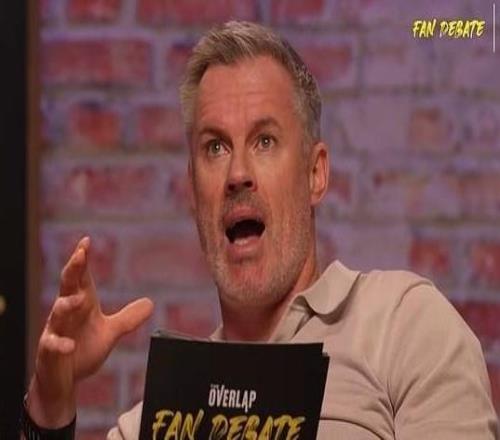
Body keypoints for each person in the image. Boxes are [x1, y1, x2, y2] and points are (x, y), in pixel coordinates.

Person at [23, 21, 498, 439]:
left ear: (315, 174)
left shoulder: (404, 325)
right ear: (193, 191)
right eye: (215, 147)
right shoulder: (152, 421)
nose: (237, 174)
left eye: (265, 141)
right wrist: (49, 407)